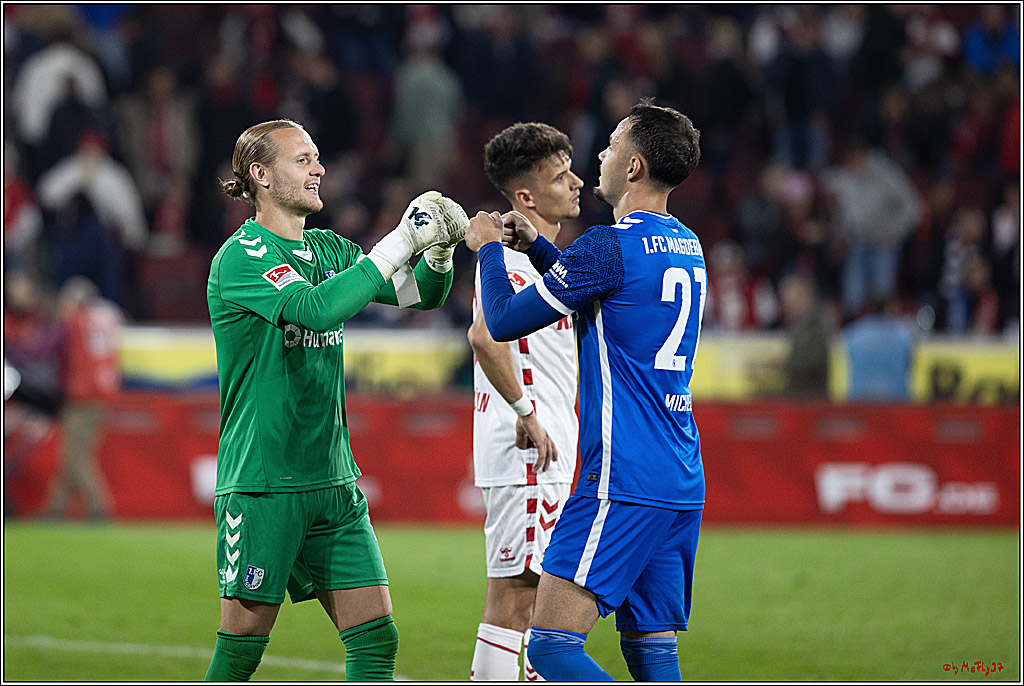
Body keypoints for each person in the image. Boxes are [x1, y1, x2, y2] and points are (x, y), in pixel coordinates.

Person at [203, 118, 467, 681]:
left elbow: (419, 294)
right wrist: (401, 240)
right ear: (262, 176)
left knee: (376, 639)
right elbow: (316, 310)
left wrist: (438, 253)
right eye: (303, 160)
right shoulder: (242, 257)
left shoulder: (328, 248)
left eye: (317, 157)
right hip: (264, 481)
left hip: (333, 481)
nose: (319, 168)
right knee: (242, 643)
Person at [465, 98, 706, 680]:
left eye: (612, 144)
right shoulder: (688, 244)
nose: (598, 155)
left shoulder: (608, 244)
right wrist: (539, 249)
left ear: (634, 168)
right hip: (681, 476)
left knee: (550, 646)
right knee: (651, 647)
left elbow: (498, 322)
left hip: (622, 476)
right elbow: (608, 291)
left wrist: (491, 248)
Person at [468, 123, 583, 681]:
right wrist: (527, 415)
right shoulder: (509, 265)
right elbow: (486, 337)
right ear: (525, 197)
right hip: (529, 450)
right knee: (517, 599)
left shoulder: (539, 263)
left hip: (540, 448)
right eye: (560, 176)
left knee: (534, 603)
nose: (576, 183)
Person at [43, 277, 122, 521]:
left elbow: (44, 348)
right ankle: (55, 509)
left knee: (76, 458)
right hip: (102, 394)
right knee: (72, 455)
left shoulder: (72, 321)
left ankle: (100, 507)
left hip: (79, 396)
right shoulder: (105, 318)